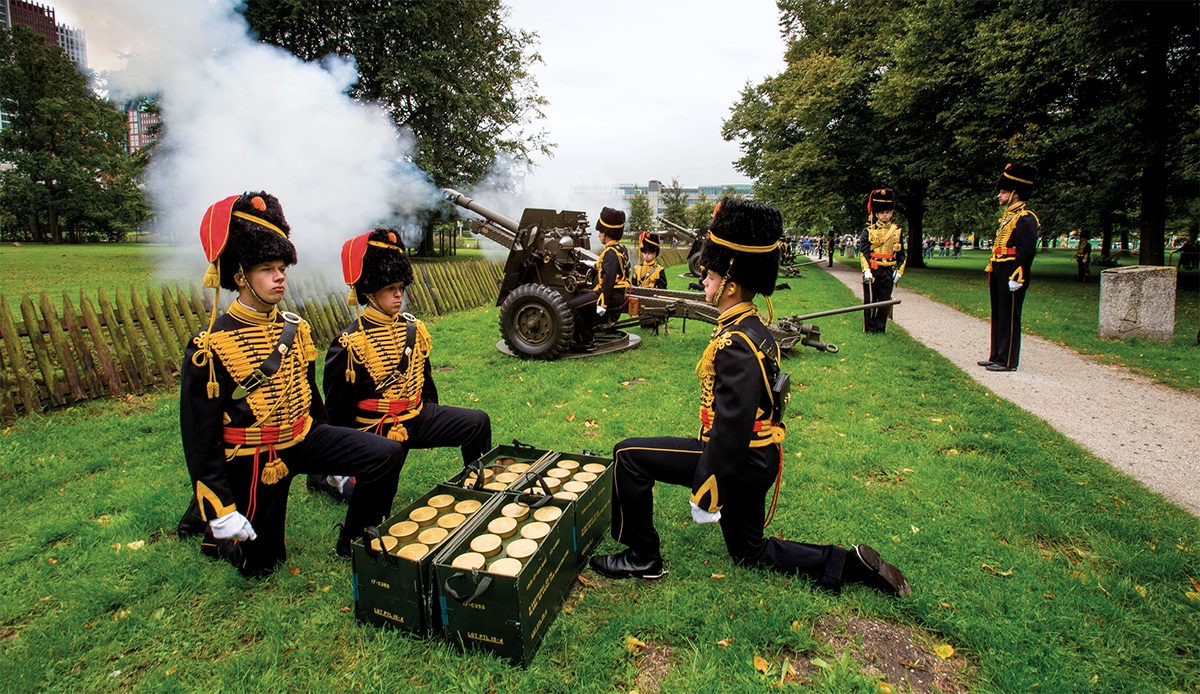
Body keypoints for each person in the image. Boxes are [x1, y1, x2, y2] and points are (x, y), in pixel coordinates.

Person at [589, 199, 911, 597]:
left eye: (709, 275)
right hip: (759, 458)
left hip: (740, 459)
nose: (703, 280)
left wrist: (709, 488)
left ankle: (642, 556)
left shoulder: (736, 342)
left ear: (731, 284)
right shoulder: (753, 324)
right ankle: (850, 565)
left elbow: (731, 428)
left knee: (627, 456)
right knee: (749, 551)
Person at [178, 192, 406, 577]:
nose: (280, 275)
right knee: (263, 565)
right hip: (257, 457)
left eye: (282, 266)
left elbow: (312, 400)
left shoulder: (295, 329)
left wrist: (333, 457)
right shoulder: (210, 344)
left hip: (302, 437)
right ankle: (212, 527)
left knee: (385, 454)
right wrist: (221, 509)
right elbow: (199, 437)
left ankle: (352, 539)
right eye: (267, 268)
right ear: (240, 277)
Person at [308, 229, 493, 501]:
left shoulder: (414, 328)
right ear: (370, 291)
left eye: (401, 288)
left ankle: (476, 487)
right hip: (375, 427)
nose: (398, 295)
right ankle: (324, 478)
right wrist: (345, 456)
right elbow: (338, 409)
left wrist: (432, 415)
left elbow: (425, 384)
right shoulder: (349, 343)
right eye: (390, 289)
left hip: (415, 416)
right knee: (362, 494)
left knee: (477, 422)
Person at [979, 163, 1039, 372]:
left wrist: (1018, 275)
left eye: (1003, 192)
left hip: (1012, 271)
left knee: (1009, 315)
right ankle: (996, 355)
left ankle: (1008, 361)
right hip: (999, 268)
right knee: (998, 313)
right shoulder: (1007, 218)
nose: (1000, 195)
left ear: (1014, 193)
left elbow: (1026, 251)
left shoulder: (1026, 218)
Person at [567, 207, 631, 352]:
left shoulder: (610, 252)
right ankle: (583, 337)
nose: (599, 235)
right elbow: (606, 267)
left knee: (572, 305)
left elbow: (608, 281)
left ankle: (588, 342)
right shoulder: (620, 249)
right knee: (582, 300)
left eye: (600, 232)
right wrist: (585, 264)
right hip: (617, 292)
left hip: (610, 295)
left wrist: (602, 304)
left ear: (607, 233)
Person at [858, 188, 906, 334]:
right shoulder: (869, 231)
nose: (885, 215)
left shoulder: (897, 231)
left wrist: (899, 271)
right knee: (870, 301)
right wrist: (866, 270)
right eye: (882, 213)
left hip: (888, 270)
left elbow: (902, 254)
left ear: (891, 213)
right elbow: (863, 252)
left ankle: (880, 328)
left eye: (887, 212)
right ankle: (870, 328)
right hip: (873, 269)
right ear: (877, 214)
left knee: (884, 301)